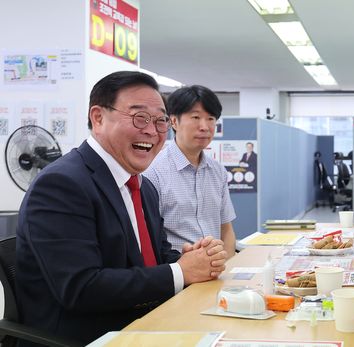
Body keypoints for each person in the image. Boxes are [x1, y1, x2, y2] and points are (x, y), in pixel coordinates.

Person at [15, 71, 228, 345]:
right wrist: (180, 271)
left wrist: (193, 258)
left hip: (148, 321)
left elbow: (154, 254)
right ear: (98, 117)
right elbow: (81, 288)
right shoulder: (62, 184)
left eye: (160, 120)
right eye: (139, 117)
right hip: (91, 335)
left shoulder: (141, 185)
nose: (152, 131)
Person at [144, 85, 236, 258]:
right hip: (177, 274)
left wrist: (228, 271)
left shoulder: (218, 172)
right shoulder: (152, 172)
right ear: (174, 121)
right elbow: (149, 239)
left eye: (210, 118)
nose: (204, 126)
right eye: (195, 117)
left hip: (216, 272)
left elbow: (226, 230)